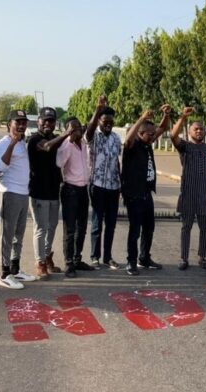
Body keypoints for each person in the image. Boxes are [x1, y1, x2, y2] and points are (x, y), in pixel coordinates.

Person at [170, 107, 206, 271]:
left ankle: (202, 257)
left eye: (201, 129)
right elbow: (173, 136)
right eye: (196, 129)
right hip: (188, 194)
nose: (199, 131)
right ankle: (183, 258)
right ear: (189, 132)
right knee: (186, 227)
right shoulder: (185, 147)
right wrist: (183, 117)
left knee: (205, 228)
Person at [120, 105, 171, 275]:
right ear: (140, 134)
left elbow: (163, 127)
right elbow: (127, 139)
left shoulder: (147, 143)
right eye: (150, 134)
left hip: (146, 193)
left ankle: (144, 258)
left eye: (152, 133)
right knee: (135, 230)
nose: (153, 136)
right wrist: (141, 119)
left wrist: (166, 114)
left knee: (149, 228)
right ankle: (131, 262)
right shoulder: (131, 146)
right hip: (133, 195)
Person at [0, 110, 38, 289]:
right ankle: (5, 273)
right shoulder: (5, 142)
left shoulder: (23, 142)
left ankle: (15, 269)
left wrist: (17, 142)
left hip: (22, 193)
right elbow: (0, 167)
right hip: (9, 192)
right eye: (17, 122)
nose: (21, 125)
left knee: (18, 235)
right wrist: (12, 144)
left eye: (23, 122)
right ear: (9, 124)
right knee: (7, 235)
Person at [27, 107, 66, 278]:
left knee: (52, 228)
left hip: (53, 191)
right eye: (45, 120)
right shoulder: (35, 139)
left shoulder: (55, 139)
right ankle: (40, 262)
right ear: (39, 121)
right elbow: (47, 148)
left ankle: (47, 256)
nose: (48, 124)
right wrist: (66, 134)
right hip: (38, 191)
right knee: (41, 229)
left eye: (51, 120)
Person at [84, 95, 121, 270]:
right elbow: (88, 133)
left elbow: (117, 161)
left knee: (111, 223)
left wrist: (120, 182)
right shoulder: (93, 136)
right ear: (99, 120)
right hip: (97, 185)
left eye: (111, 121)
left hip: (114, 186)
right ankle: (94, 257)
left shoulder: (116, 138)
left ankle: (108, 257)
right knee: (97, 222)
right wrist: (98, 108)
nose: (108, 123)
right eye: (105, 120)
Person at [56, 118, 94, 278]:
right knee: (70, 229)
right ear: (67, 131)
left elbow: (91, 127)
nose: (78, 130)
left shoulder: (83, 143)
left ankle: (77, 258)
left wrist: (98, 110)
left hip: (83, 190)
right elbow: (59, 163)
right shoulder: (65, 145)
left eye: (79, 127)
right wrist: (69, 139)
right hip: (70, 190)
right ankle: (69, 263)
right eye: (74, 128)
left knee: (82, 228)